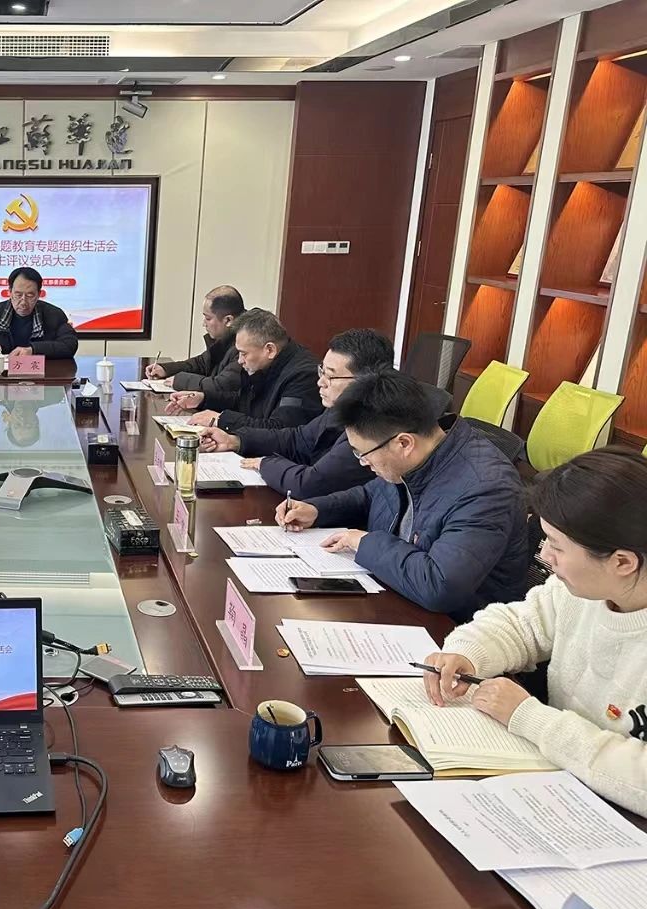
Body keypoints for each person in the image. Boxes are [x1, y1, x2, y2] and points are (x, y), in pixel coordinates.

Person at [423, 448, 647, 817]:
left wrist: (530, 717)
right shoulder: (579, 591)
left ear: (622, 562)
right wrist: (466, 653)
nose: (544, 556)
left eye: (557, 546)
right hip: (560, 789)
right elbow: (520, 624)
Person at [277, 369, 528, 622]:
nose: (363, 462)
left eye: (363, 453)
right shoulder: (417, 457)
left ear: (404, 443)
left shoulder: (486, 488)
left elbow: (440, 586)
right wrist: (317, 510)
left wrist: (363, 542)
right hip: (398, 597)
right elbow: (371, 496)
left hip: (455, 629)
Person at [198, 328, 393, 498]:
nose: (320, 382)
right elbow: (297, 439)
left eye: (331, 376)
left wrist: (265, 464)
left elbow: (310, 484)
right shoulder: (340, 407)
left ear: (365, 380)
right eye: (322, 371)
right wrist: (237, 440)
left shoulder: (372, 426)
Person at [166, 308, 322, 431]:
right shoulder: (266, 364)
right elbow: (245, 403)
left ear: (270, 350)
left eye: (244, 353)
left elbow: (279, 430)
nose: (240, 360)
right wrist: (203, 399)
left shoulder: (303, 376)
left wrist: (220, 420)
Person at [145, 285, 243, 408]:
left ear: (228, 320)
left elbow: (222, 386)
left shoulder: (245, 344)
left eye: (208, 318)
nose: (203, 324)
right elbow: (201, 363)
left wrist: (180, 380)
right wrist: (166, 369)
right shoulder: (228, 336)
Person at [0, 266, 79, 359]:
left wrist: (34, 350)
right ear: (10, 292)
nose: (23, 302)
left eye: (30, 295)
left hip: (43, 378)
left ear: (39, 294)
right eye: (18, 295)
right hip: (0, 377)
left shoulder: (54, 315)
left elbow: (70, 344)